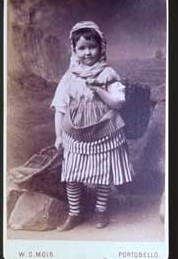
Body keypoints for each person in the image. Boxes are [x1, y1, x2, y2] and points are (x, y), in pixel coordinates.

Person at [51, 21, 133, 231]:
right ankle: (74, 213)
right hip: (75, 131)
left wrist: (99, 90)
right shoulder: (69, 77)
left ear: (101, 47)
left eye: (92, 47)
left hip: (104, 129)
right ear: (74, 50)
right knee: (72, 174)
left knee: (103, 173)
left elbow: (118, 103)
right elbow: (60, 108)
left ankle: (100, 210)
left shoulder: (108, 74)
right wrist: (58, 136)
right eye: (82, 48)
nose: (88, 52)